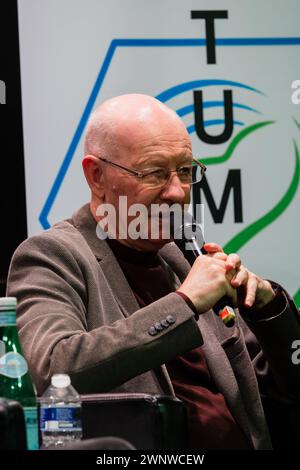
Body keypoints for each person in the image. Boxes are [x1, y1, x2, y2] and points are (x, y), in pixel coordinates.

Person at [7, 94, 300, 449]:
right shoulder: (53, 255)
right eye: (156, 173)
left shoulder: (185, 255)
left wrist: (270, 313)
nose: (177, 192)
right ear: (96, 176)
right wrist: (184, 303)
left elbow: (269, 390)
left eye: (185, 171)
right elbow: (53, 370)